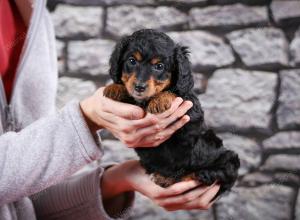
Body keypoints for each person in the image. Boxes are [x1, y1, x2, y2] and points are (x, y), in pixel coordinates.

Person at [0, 0, 221, 219]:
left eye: (158, 67)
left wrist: (123, 177)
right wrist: (85, 118)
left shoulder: (34, 11)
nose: (141, 81)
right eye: (132, 63)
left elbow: (26, 201)